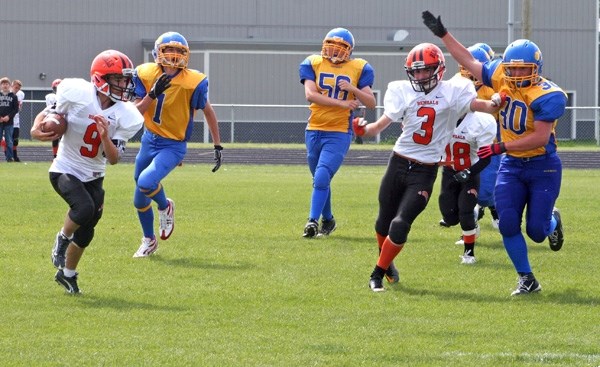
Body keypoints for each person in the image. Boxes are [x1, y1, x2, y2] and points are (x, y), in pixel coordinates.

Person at [423, 10, 566, 295]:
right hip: (512, 165)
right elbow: (468, 60)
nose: (515, 74)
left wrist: (501, 146)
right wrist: (443, 34)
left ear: (535, 68)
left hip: (542, 166)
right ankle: (527, 278)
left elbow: (539, 136)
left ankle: (553, 221)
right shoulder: (500, 76)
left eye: (522, 69)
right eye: (511, 68)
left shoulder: (549, 94)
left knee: (537, 231)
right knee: (509, 223)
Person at [353, 42, 502, 292]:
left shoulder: (453, 91)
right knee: (383, 222)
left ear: (439, 70)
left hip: (425, 170)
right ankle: (387, 263)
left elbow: (482, 106)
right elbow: (378, 126)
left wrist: (496, 101)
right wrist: (363, 130)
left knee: (400, 224)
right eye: (416, 71)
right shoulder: (402, 91)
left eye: (425, 70)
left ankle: (377, 273)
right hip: (398, 161)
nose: (420, 76)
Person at [30, 50, 144, 294]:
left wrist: (105, 136)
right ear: (101, 78)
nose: (125, 85)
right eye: (119, 79)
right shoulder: (77, 92)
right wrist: (34, 130)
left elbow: (113, 159)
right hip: (65, 168)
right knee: (83, 209)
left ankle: (68, 275)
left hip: (95, 174)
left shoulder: (128, 115)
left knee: (88, 229)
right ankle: (61, 239)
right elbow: (51, 111)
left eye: (126, 80)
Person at [132, 31, 222, 258]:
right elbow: (135, 113)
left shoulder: (194, 81)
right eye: (168, 50)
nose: (173, 56)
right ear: (157, 53)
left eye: (178, 52)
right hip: (149, 138)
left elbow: (208, 111)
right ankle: (149, 240)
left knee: (146, 181)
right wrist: (152, 94)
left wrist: (217, 145)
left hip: (173, 144)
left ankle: (165, 206)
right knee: (139, 197)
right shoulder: (144, 73)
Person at [299, 27, 376, 238]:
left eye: (340, 47)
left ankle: (312, 221)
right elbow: (310, 95)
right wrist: (343, 104)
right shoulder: (313, 62)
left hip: (338, 132)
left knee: (322, 175)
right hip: (314, 129)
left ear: (349, 50)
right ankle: (329, 219)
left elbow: (371, 102)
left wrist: (353, 88)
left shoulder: (359, 67)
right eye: (331, 45)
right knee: (319, 179)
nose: (334, 50)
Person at [438, 108, 497, 264]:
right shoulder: (441, 118)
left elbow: (486, 159)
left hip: (470, 173)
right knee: (449, 217)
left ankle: (469, 253)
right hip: (449, 172)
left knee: (465, 211)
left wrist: (468, 173)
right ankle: (471, 222)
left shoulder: (479, 122)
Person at [0, 77, 20, 162]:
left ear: (9, 85)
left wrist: (8, 116)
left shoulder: (14, 96)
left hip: (9, 122)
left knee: (9, 141)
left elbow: (16, 109)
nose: (5, 85)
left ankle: (9, 158)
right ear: (1, 85)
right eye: (3, 84)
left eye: (6, 84)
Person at [45, 78, 63, 158]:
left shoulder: (66, 97)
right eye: (57, 88)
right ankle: (55, 156)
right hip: (55, 119)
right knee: (54, 139)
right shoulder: (50, 97)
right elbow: (50, 109)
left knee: (64, 140)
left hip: (64, 120)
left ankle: (63, 156)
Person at [10, 80, 24, 162]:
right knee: (7, 139)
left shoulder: (21, 94)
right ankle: (9, 155)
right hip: (7, 119)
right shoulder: (7, 94)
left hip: (16, 119)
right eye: (16, 87)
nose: (17, 90)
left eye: (18, 88)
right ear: (12, 86)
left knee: (15, 140)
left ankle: (14, 156)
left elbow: (20, 108)